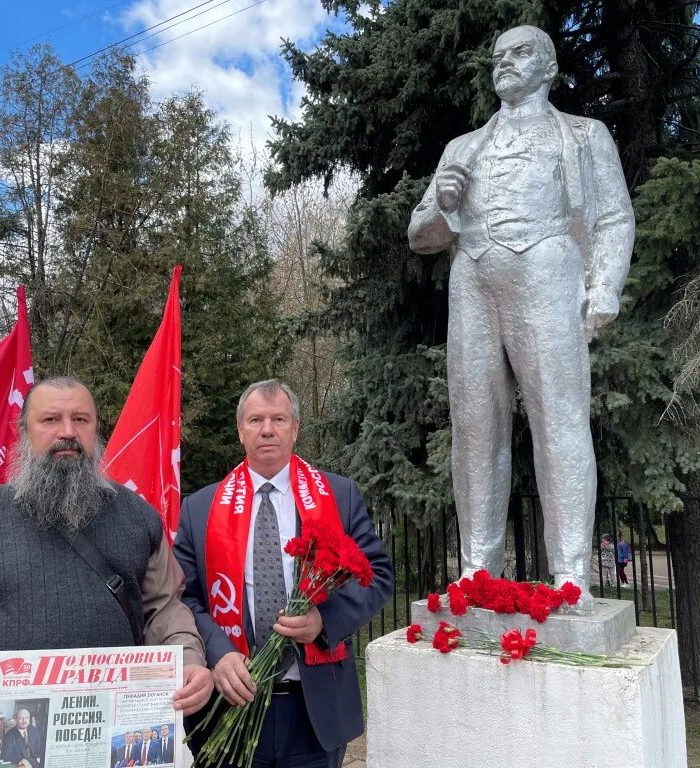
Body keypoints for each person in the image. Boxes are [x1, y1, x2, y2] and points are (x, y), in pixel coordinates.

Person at [407, 25, 635, 611]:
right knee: (476, 427)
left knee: (560, 422)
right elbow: (421, 235)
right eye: (498, 56)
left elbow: (613, 216)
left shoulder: (583, 136)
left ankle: (570, 572)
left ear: (549, 66)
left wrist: (604, 285)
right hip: (474, 284)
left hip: (550, 276)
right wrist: (444, 204)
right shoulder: (463, 148)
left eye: (520, 53)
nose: (505, 63)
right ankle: (478, 566)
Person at [0, 376, 214, 768]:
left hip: (112, 748)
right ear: (24, 432)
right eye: (50, 419)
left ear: (96, 431)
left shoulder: (138, 517)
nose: (67, 432)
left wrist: (188, 660)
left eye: (81, 419)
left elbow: (165, 609)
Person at [174, 380, 394, 768]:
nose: (267, 429)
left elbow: (376, 575)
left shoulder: (338, 495)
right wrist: (218, 652)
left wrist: (324, 620)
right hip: (230, 703)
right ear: (240, 430)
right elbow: (183, 598)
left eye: (279, 419)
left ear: (295, 429)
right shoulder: (200, 507)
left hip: (314, 711)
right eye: (256, 419)